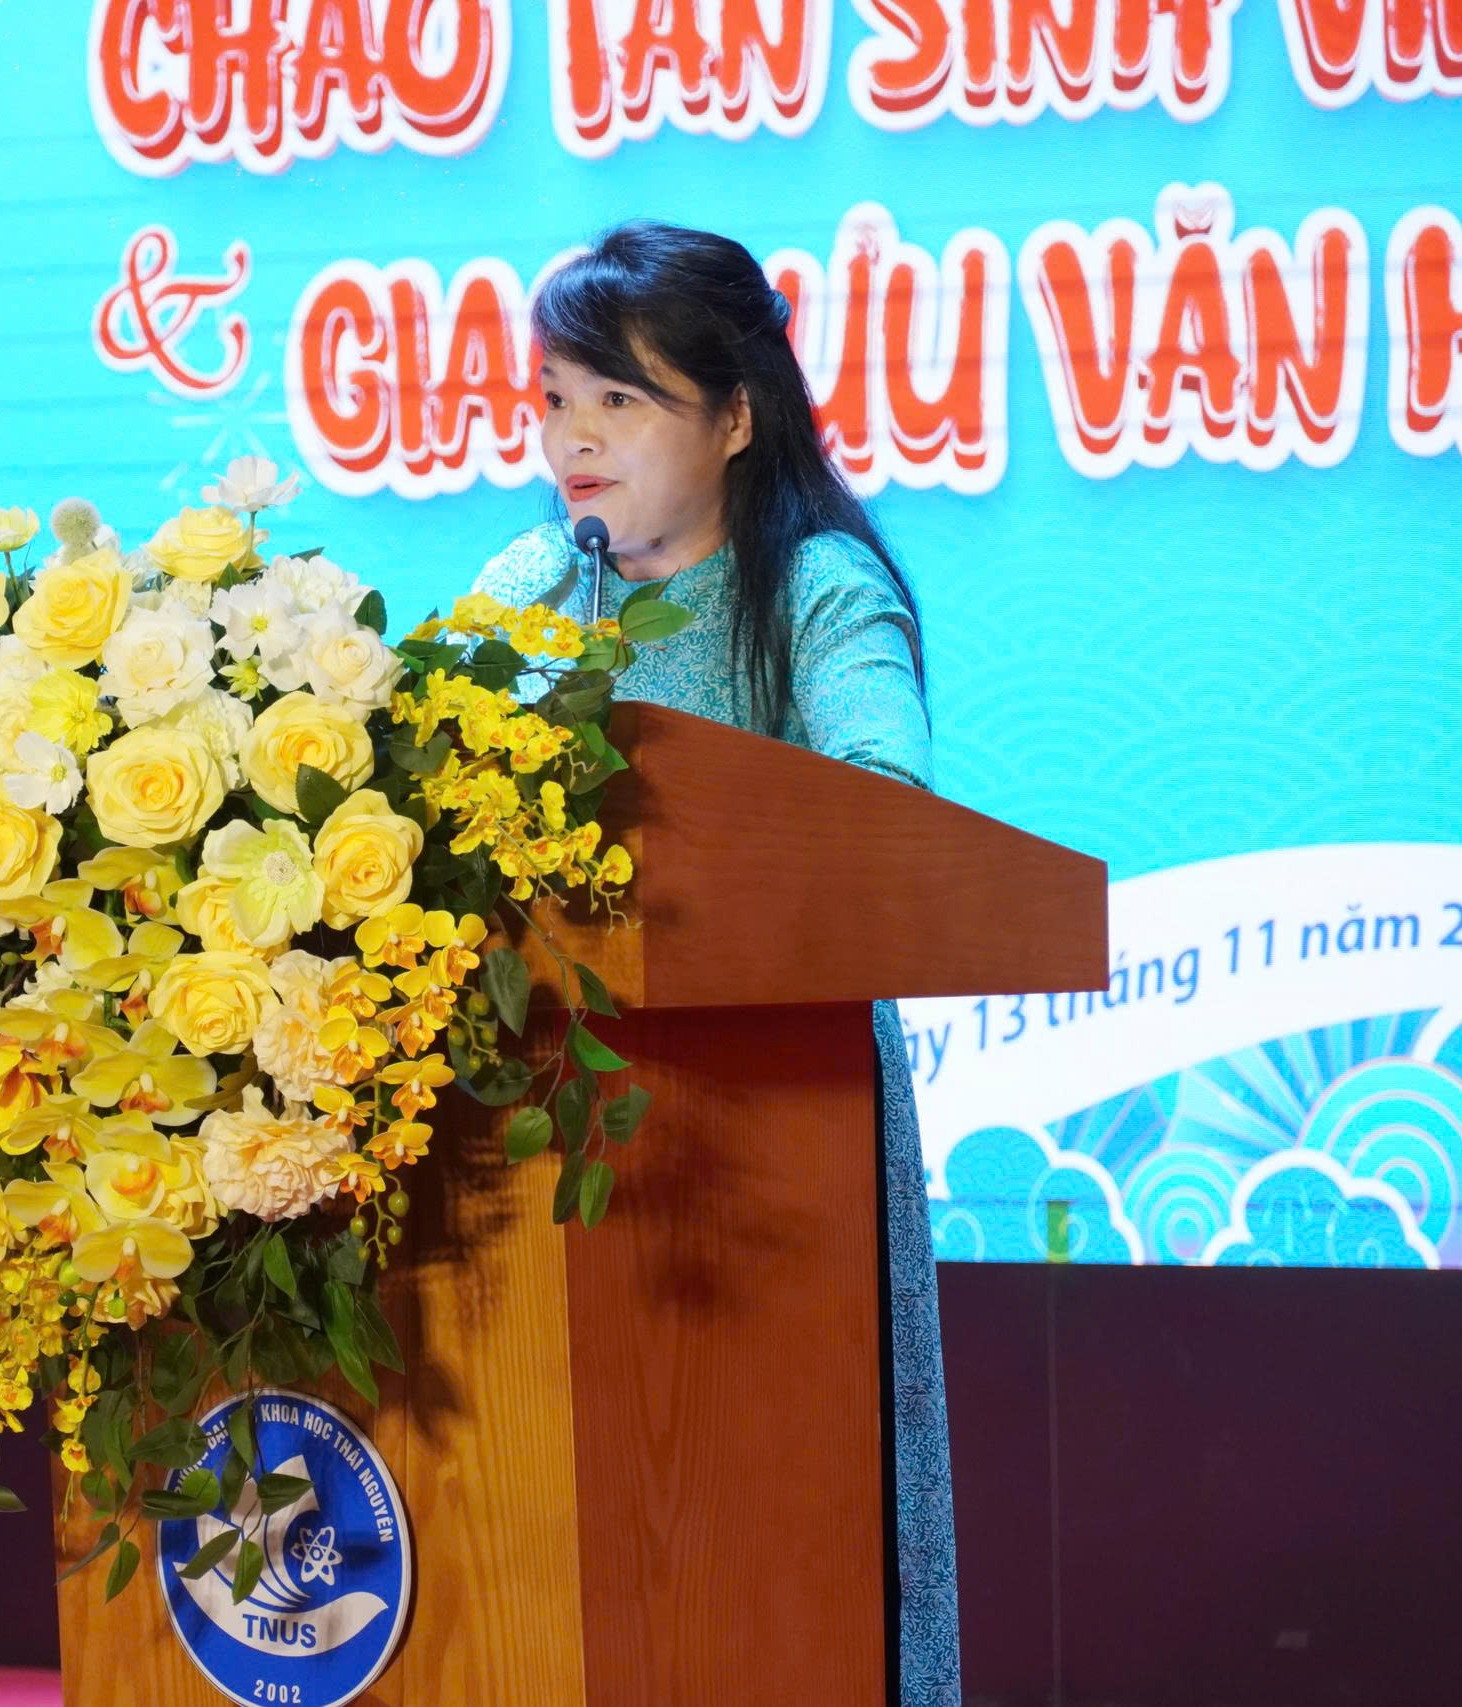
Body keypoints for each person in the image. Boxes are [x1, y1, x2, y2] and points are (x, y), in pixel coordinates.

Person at [472, 219, 958, 1707]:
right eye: (555, 398)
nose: (573, 439)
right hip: (548, 1132)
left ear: (736, 417)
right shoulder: (529, 585)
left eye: (618, 400)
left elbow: (882, 811)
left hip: (777, 1134)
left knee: (776, 1525)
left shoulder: (816, 590)